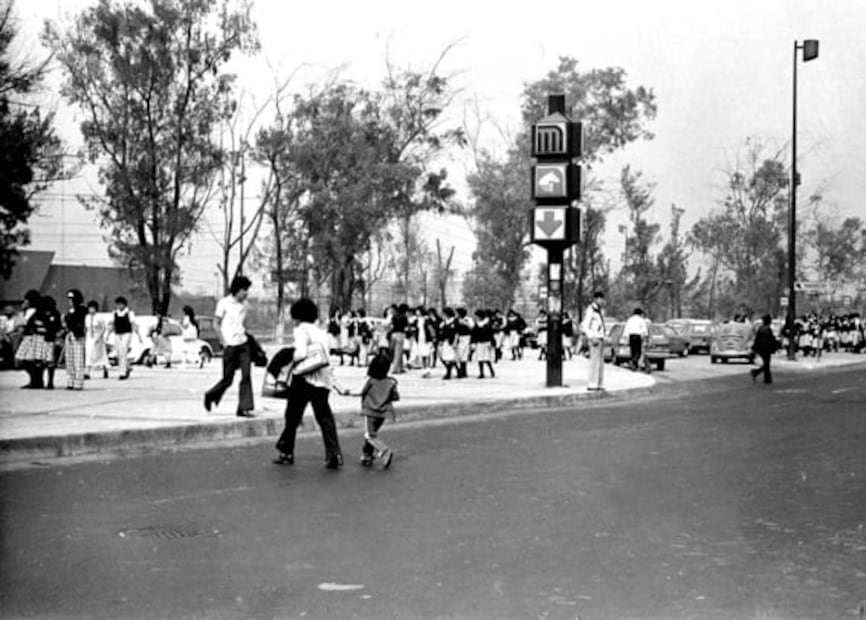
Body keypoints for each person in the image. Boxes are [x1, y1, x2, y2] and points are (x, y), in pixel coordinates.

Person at [273, 297, 343, 469]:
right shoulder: (322, 333)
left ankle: (286, 451)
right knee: (325, 417)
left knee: (292, 416)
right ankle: (334, 453)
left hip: (303, 379)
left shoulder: (300, 330)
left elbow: (301, 353)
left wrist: (290, 354)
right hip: (322, 380)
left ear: (297, 316)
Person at [203, 276, 255, 418]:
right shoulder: (224, 303)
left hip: (243, 345)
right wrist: (223, 342)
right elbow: (216, 323)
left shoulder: (245, 305)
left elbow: (244, 324)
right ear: (237, 289)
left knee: (246, 375)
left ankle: (243, 408)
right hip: (230, 345)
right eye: (244, 290)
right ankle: (210, 395)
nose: (246, 293)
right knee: (228, 379)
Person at [358, 352, 400, 468]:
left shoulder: (371, 381)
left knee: (369, 436)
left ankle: (384, 450)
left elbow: (362, 393)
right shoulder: (391, 382)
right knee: (372, 435)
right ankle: (367, 456)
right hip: (383, 413)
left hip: (370, 411)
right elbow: (395, 397)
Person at [14, 290, 51, 389]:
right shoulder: (35, 310)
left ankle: (36, 380)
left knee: (28, 360)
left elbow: (23, 323)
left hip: (31, 337)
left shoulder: (32, 311)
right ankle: (36, 380)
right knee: (32, 361)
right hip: (31, 337)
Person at [581, 291, 606, 391]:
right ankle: (592, 384)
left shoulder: (600, 311)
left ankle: (600, 384)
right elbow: (585, 326)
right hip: (594, 338)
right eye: (600, 299)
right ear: (595, 299)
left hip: (601, 338)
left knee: (600, 363)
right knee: (594, 362)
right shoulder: (590, 310)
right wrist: (591, 337)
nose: (602, 301)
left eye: (602, 299)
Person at [63, 289, 87, 390]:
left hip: (78, 336)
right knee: (69, 359)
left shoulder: (82, 310)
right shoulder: (69, 312)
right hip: (70, 335)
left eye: (71, 299)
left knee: (78, 360)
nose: (69, 302)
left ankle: (78, 382)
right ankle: (70, 381)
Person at [111, 297, 137, 380]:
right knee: (118, 352)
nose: (119, 306)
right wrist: (107, 334)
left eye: (121, 304)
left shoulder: (129, 312)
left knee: (123, 351)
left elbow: (133, 324)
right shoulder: (114, 313)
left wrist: (138, 335)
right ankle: (127, 367)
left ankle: (122, 372)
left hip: (127, 333)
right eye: (118, 304)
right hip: (117, 334)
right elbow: (112, 324)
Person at [84, 301, 109, 379]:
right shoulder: (87, 317)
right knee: (89, 354)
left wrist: (99, 337)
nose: (91, 310)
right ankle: (87, 371)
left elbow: (103, 327)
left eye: (93, 308)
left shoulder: (99, 317)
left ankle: (105, 368)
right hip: (89, 337)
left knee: (100, 354)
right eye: (90, 308)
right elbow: (86, 328)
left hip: (97, 337)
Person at [750, 314, 779, 384]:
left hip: (761, 348)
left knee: (766, 363)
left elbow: (757, 339)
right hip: (766, 348)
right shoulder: (767, 329)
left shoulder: (761, 328)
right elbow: (770, 339)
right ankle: (758, 374)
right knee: (767, 363)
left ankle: (766, 378)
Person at [471, 309, 496, 379]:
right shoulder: (477, 324)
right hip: (479, 343)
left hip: (486, 342)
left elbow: (491, 334)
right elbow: (474, 334)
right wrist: (473, 342)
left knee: (487, 358)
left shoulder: (487, 324)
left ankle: (491, 370)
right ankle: (481, 373)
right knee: (480, 358)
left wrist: (492, 342)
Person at [623, 308, 649, 372]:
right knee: (638, 352)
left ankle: (634, 364)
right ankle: (634, 361)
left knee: (633, 351)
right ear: (640, 313)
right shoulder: (641, 320)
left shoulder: (630, 320)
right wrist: (645, 337)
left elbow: (626, 329)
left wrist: (625, 338)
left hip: (631, 336)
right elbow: (644, 330)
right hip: (638, 337)